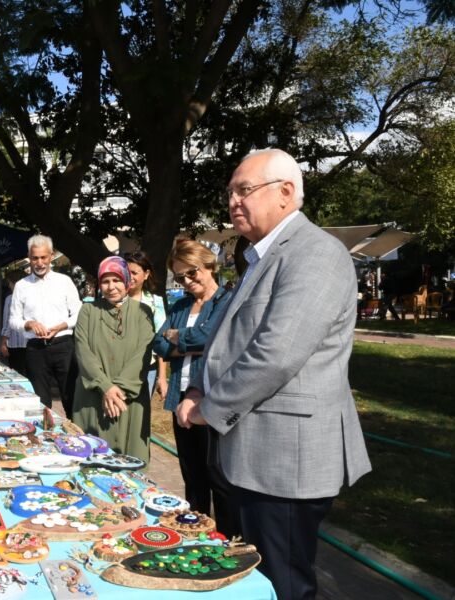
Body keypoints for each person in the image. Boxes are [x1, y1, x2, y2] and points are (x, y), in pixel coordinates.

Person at [177, 149, 371, 600]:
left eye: (244, 190)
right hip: (254, 453)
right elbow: (227, 339)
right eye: (230, 192)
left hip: (286, 462)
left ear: (286, 193)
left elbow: (276, 354)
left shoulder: (316, 253)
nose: (233, 201)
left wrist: (210, 407)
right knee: (253, 578)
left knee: (281, 582)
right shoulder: (261, 257)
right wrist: (197, 385)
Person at [151, 239, 238, 538]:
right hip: (180, 399)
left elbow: (216, 339)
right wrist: (190, 341)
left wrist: (181, 339)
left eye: (192, 272)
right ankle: (196, 533)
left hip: (213, 400)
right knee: (192, 476)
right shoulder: (180, 305)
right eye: (180, 277)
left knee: (220, 479)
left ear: (209, 265)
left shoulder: (228, 300)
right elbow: (159, 342)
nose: (187, 281)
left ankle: (229, 540)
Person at [72, 256, 155, 463]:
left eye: (117, 280)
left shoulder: (143, 313)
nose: (111, 287)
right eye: (105, 281)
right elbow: (83, 351)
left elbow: (142, 354)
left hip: (129, 399)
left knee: (130, 462)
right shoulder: (88, 311)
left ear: (127, 281)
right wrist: (106, 387)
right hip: (93, 395)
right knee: (91, 460)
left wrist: (119, 391)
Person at [8, 235, 83, 418]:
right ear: (29, 257)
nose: (39, 263)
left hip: (63, 345)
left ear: (51, 256)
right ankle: (46, 438)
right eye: (35, 258)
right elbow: (13, 320)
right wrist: (29, 324)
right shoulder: (21, 286)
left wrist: (62, 325)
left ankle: (77, 438)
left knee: (70, 396)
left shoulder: (64, 281)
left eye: (43, 257)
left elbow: (79, 312)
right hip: (35, 349)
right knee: (40, 401)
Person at [124, 251, 168, 399]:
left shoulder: (155, 303)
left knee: (141, 416)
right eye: (126, 272)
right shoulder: (112, 301)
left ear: (146, 274)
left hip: (147, 369)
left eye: (134, 272)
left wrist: (162, 377)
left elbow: (161, 340)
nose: (130, 277)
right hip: (116, 368)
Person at [0, 270, 29, 376]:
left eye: (9, 283)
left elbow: (7, 322)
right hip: (32, 343)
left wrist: (3, 342)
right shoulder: (32, 297)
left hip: (15, 344)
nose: (9, 286)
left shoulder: (10, 299)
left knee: (17, 374)